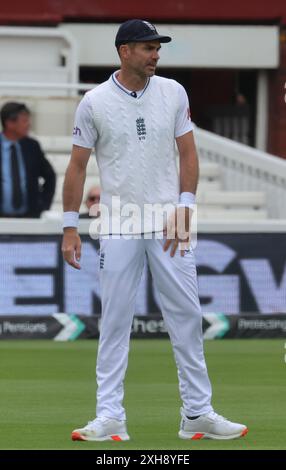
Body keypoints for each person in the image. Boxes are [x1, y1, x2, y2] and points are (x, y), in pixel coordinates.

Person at [62, 19, 248, 442]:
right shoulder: (93, 101)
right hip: (118, 222)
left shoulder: (174, 92)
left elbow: (188, 152)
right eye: (148, 48)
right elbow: (76, 166)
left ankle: (197, 413)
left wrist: (186, 207)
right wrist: (70, 227)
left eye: (157, 48)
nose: (156, 55)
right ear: (125, 50)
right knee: (114, 321)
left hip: (171, 223)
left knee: (185, 317)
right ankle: (109, 416)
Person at [0, 102, 56, 218]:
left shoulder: (32, 146)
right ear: (10, 123)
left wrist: (43, 205)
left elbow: (50, 176)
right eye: (24, 121)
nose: (28, 125)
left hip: (29, 218)